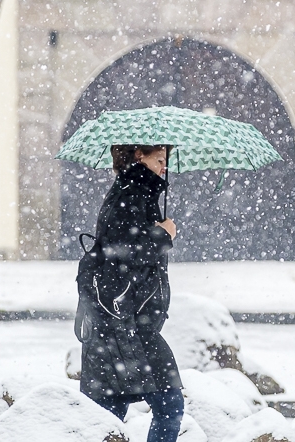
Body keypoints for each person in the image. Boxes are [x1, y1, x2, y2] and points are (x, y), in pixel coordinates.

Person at [75, 144, 183, 442]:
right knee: (169, 405)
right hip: (127, 327)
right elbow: (123, 253)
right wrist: (164, 234)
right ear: (139, 156)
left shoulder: (136, 192)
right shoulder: (130, 194)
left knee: (109, 414)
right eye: (159, 159)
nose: (164, 167)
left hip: (119, 326)